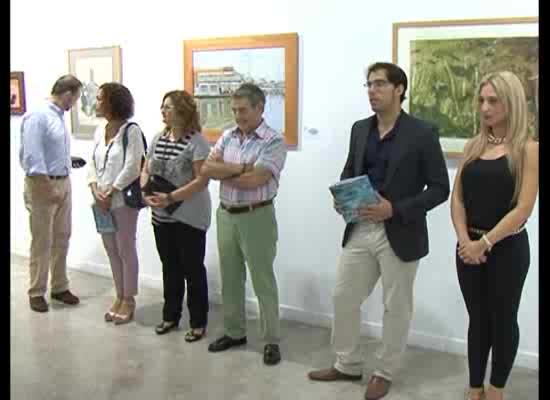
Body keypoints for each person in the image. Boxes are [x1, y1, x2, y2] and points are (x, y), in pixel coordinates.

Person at [308, 62, 450, 400]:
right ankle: (347, 363)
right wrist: (342, 195)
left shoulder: (422, 133)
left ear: (399, 89)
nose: (372, 90)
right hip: (360, 227)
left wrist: (395, 208)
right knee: (343, 296)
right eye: (369, 84)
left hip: (400, 230)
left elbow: (440, 188)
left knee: (395, 305)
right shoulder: (360, 129)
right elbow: (349, 169)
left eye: (380, 84)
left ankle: (384, 372)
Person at [450, 71, 538, 400]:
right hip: (467, 248)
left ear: (511, 104)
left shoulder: (528, 150)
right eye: (481, 100)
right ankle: (475, 387)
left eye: (493, 101)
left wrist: (484, 243)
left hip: (507, 249)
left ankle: (497, 387)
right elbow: (457, 199)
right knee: (478, 319)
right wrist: (465, 241)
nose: (485, 107)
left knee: (503, 319)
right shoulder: (473, 146)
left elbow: (523, 208)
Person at [201, 82, 287, 365]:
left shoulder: (273, 140)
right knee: (231, 279)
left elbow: (257, 180)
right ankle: (234, 332)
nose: (238, 116)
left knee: (263, 279)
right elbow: (206, 168)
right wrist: (240, 168)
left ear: (260, 107)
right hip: (226, 214)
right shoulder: (227, 136)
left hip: (257, 215)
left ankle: (271, 340)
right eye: (235, 110)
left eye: (243, 110)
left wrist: (224, 173)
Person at [140, 90, 211, 341]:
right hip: (162, 216)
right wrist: (145, 191)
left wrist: (171, 197)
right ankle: (170, 316)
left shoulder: (197, 142)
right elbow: (146, 168)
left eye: (168, 107)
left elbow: (202, 180)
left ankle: (198, 321)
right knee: (169, 268)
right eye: (162, 107)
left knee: (192, 269)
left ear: (182, 111)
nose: (163, 111)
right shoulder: (158, 138)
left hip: (189, 217)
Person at [19, 74, 83, 312]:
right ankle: (36, 291)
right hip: (42, 185)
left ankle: (59, 286)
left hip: (63, 181)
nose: (74, 104)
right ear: (67, 94)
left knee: (62, 237)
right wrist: (48, 189)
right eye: (75, 99)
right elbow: (32, 157)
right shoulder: (38, 116)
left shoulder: (58, 117)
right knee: (42, 241)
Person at [87, 82, 145, 324]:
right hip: (100, 201)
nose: (96, 102)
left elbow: (133, 165)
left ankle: (129, 299)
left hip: (121, 201)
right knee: (111, 250)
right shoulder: (99, 131)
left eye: (101, 98)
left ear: (114, 101)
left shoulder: (131, 131)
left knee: (125, 249)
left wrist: (112, 190)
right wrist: (94, 189)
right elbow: (92, 164)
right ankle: (119, 295)